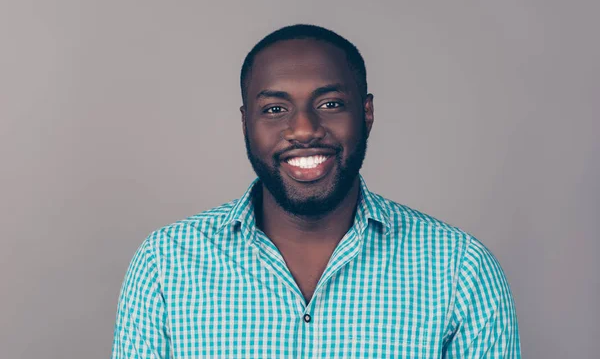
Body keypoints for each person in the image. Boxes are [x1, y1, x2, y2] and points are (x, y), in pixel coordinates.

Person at [111, 24, 521, 358]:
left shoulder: (459, 271)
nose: (304, 129)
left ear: (367, 113)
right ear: (245, 123)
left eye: (330, 104)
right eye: (275, 109)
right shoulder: (165, 264)